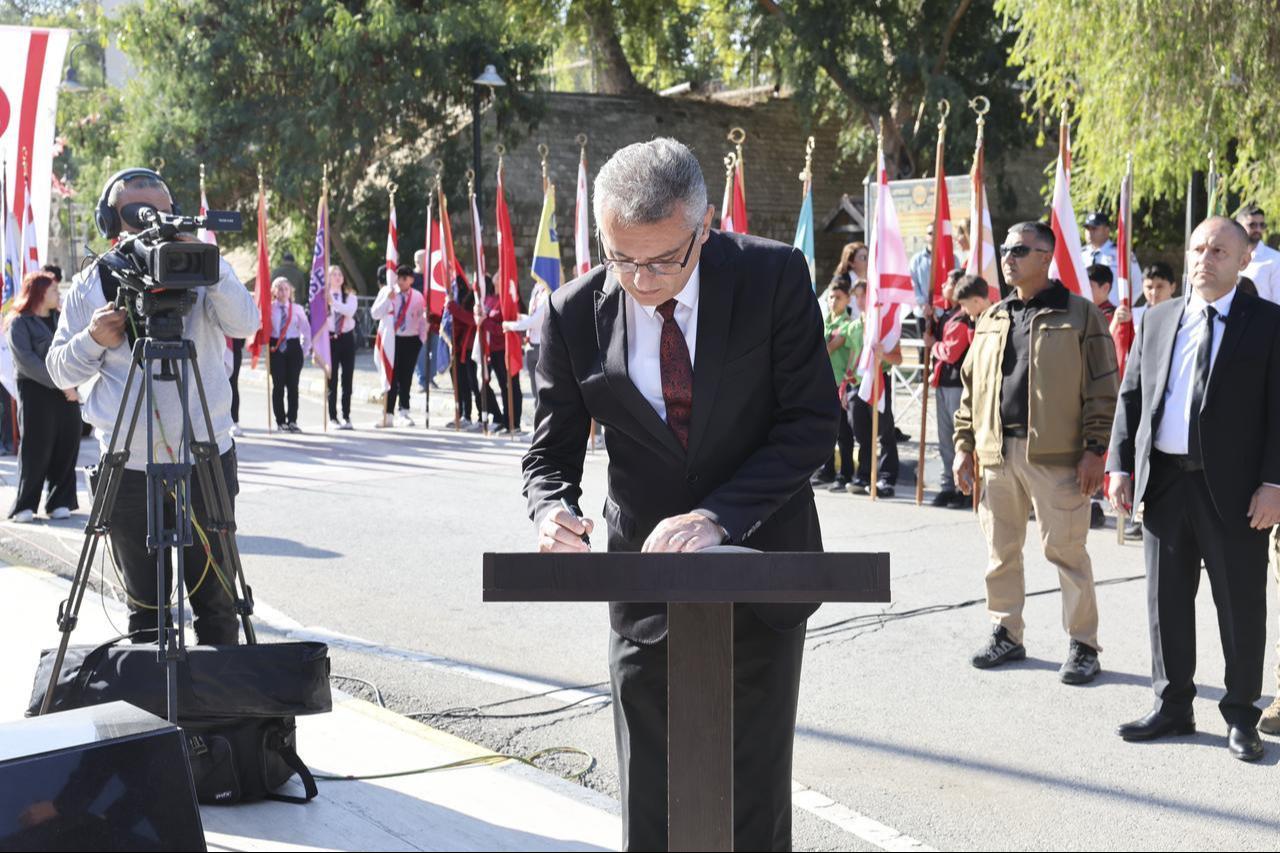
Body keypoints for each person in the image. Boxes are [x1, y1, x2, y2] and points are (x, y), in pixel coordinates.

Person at [522, 138, 837, 852]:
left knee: (751, 802)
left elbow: (813, 422)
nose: (640, 278)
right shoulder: (573, 311)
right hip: (645, 585)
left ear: (706, 224)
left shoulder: (772, 276)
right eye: (620, 256)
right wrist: (552, 509)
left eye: (664, 258)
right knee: (653, 803)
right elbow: (550, 451)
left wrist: (718, 516)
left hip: (761, 573)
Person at [47, 167, 260, 645]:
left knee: (219, 607)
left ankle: (220, 712)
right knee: (147, 615)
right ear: (112, 223)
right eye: (136, 214)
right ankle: (152, 716)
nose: (150, 224)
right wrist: (92, 340)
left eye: (159, 213)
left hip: (205, 459)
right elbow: (60, 371)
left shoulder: (204, 270)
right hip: (129, 469)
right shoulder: (92, 282)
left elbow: (247, 324)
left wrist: (210, 261)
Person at [1108, 216, 1280, 762]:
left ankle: (1241, 716)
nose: (1206, 258)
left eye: (1220, 251)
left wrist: (1275, 483)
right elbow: (1131, 397)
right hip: (1164, 484)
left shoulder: (1270, 323)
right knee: (1167, 603)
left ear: (1244, 259)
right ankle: (1173, 704)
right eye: (1199, 248)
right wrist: (1119, 466)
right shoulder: (1157, 319)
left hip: (1235, 491)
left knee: (1240, 607)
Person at [953, 221, 1118, 685]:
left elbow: (1104, 389)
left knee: (1066, 551)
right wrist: (964, 445)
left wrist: (1095, 450)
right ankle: (1006, 631)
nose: (1009, 257)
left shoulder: (1081, 314)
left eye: (1020, 249)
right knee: (1000, 550)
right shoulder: (992, 317)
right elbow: (972, 388)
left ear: (1046, 256)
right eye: (1006, 249)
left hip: (1059, 456)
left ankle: (1083, 644)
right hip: (996, 452)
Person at [6, 271, 81, 522]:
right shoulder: (20, 322)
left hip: (67, 392)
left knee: (67, 444)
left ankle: (60, 501)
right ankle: (25, 504)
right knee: (36, 449)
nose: (58, 294)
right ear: (39, 292)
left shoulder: (62, 320)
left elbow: (75, 353)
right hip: (37, 392)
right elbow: (28, 362)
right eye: (53, 290)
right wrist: (62, 384)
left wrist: (73, 383)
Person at [929, 272, 989, 508]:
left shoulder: (967, 318)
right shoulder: (948, 315)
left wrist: (934, 346)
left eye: (947, 283)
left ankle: (966, 488)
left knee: (961, 438)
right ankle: (949, 485)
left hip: (959, 385)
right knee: (945, 439)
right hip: (943, 382)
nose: (943, 286)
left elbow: (953, 352)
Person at [847, 280, 902, 498]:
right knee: (861, 432)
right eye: (857, 296)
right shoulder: (854, 327)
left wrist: (883, 355)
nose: (860, 301)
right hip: (859, 384)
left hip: (879, 380)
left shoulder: (882, 326)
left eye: (864, 296)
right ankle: (864, 474)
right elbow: (852, 359)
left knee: (884, 430)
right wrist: (845, 385)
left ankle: (887, 478)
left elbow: (897, 357)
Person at [811, 280, 861, 492]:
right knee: (824, 431)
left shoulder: (847, 324)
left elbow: (828, 348)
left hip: (840, 383)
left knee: (843, 433)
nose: (833, 301)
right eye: (831, 297)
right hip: (823, 382)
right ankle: (827, 469)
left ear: (848, 300)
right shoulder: (824, 322)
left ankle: (846, 473)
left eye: (838, 297)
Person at [371, 264, 426, 428]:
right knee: (390, 376)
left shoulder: (417, 296)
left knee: (406, 377)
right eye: (398, 278)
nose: (400, 281)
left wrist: (421, 339)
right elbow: (375, 313)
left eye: (404, 278)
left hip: (410, 339)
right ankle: (388, 414)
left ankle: (404, 411)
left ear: (411, 280)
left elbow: (423, 319)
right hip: (391, 339)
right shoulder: (387, 292)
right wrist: (387, 297)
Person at [269, 276, 310, 433]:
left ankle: (292, 420)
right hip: (276, 347)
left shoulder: (297, 309)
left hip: (293, 347)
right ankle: (281, 421)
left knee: (293, 386)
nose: (283, 292)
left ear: (290, 291)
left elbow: (306, 331)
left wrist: (304, 350)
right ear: (274, 291)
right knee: (278, 385)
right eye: (279, 288)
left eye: (286, 288)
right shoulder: (269, 308)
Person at [1081, 211, 1142, 305]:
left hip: (1113, 312)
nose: (1089, 232)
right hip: (1085, 311)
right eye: (1087, 229)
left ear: (1107, 230)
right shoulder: (1080, 255)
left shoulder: (1121, 253)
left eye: (1094, 228)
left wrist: (1123, 306)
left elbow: (1137, 283)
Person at [503, 280, 550, 400]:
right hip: (531, 345)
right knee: (536, 394)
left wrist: (511, 325)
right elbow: (532, 318)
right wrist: (520, 318)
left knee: (544, 393)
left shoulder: (548, 291)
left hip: (542, 346)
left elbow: (535, 321)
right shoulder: (536, 290)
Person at [326, 265, 357, 429]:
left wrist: (334, 303)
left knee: (347, 378)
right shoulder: (324, 297)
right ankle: (333, 416)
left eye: (339, 274)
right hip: (330, 339)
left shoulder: (350, 296)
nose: (337, 277)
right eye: (333, 274)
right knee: (332, 379)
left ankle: (346, 415)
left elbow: (349, 312)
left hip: (346, 338)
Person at [1236, 204, 1280, 303]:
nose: (1258, 229)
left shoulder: (1275, 259)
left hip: (1263, 317)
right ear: (1238, 226)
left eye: (1262, 225)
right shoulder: (1227, 256)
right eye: (1252, 225)